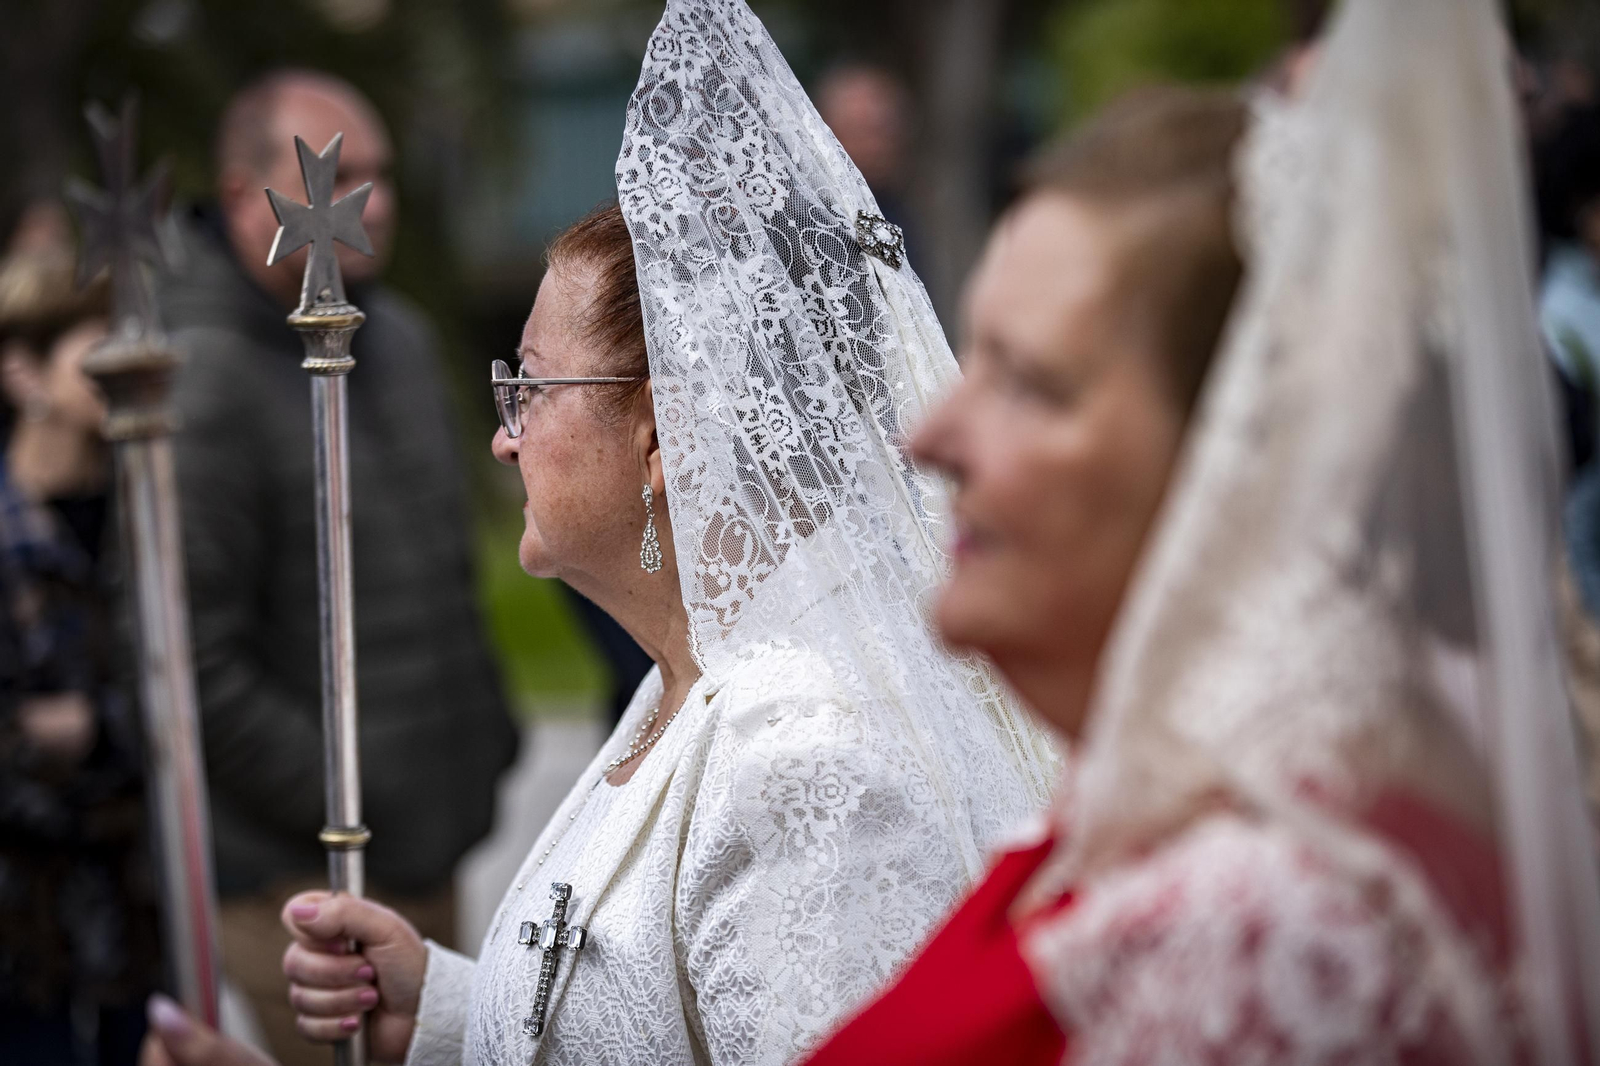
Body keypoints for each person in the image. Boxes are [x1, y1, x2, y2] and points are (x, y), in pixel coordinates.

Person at [139, 2, 1057, 1064]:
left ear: (660, 437)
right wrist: (443, 1011)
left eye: (528, 384)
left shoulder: (811, 772)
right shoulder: (684, 681)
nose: (503, 436)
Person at [804, 0, 1600, 1062]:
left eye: (1030, 384)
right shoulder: (1145, 816)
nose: (930, 434)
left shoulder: (1258, 939)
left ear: (1242, 476)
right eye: (970, 359)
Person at [158, 70, 516, 1064]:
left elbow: (440, 575)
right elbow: (193, 665)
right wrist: (356, 796)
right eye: (337, 174)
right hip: (299, 875)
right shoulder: (206, 375)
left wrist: (482, 740)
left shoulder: (396, 338)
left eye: (382, 172)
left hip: (425, 841)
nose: (377, 201)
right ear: (242, 197)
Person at [0, 221, 160, 1066]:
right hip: (24, 941)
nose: (121, 365)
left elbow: (176, 709)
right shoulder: (12, 536)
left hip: (133, 928)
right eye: (95, 345)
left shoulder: (147, 521)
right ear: (23, 371)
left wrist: (92, 728)